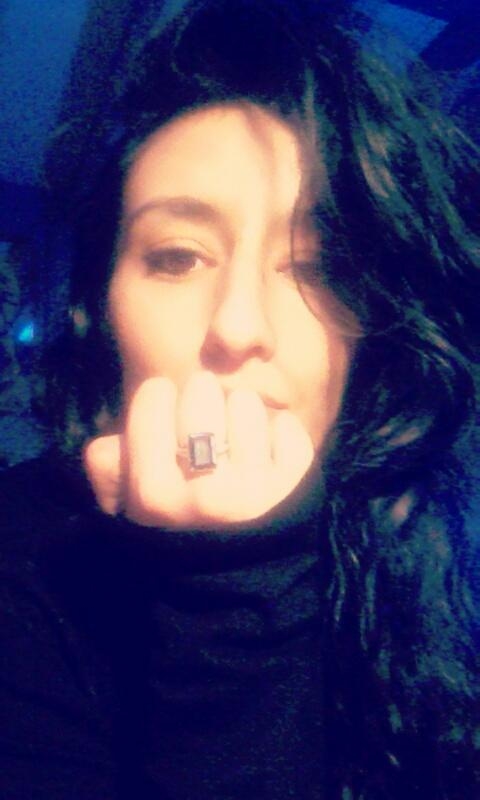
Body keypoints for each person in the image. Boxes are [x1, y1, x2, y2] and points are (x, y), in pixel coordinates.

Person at [1, 1, 479, 797]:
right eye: (177, 257)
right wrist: (231, 592)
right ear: (102, 309)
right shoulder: (22, 559)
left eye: (319, 266)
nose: (239, 326)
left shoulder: (436, 546)